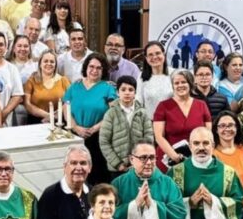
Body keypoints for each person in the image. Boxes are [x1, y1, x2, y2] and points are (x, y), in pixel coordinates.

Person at [64, 52, 117, 184]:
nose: (94, 70)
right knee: (75, 173)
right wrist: (75, 127)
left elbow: (114, 111)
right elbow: (65, 107)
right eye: (91, 66)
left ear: (103, 70)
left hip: (99, 137)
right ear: (86, 67)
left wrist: (94, 128)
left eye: (99, 68)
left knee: (97, 176)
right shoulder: (75, 86)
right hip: (75, 135)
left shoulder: (108, 88)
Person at [153, 69, 212, 172]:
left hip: (197, 159)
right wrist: (174, 156)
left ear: (190, 83)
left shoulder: (201, 105)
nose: (180, 85)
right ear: (173, 86)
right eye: (176, 83)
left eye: (183, 82)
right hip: (169, 160)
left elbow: (208, 135)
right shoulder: (163, 106)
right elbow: (159, 137)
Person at [99, 76, 154, 177]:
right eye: (123, 89)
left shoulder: (143, 113)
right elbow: (104, 142)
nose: (127, 92)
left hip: (140, 166)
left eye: (131, 90)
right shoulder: (111, 113)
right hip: (117, 169)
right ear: (117, 92)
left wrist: (142, 160)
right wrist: (118, 164)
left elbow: (149, 138)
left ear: (135, 93)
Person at [23, 50, 71, 124]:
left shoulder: (63, 80)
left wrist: (56, 115)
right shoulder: (31, 80)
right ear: (40, 64)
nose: (49, 64)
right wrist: (49, 116)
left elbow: (70, 101)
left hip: (59, 121)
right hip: (36, 121)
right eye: (45, 61)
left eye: (52, 62)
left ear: (55, 65)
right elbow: (27, 104)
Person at [0, 32, 24, 126]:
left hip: (6, 121)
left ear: (6, 47)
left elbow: (17, 95)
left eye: (1, 44)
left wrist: (3, 114)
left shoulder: (12, 69)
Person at [137, 41, 172, 119]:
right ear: (146, 58)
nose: (155, 57)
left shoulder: (174, 74)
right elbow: (138, 103)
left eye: (158, 53)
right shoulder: (141, 77)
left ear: (164, 54)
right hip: (149, 124)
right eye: (150, 55)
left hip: (172, 123)